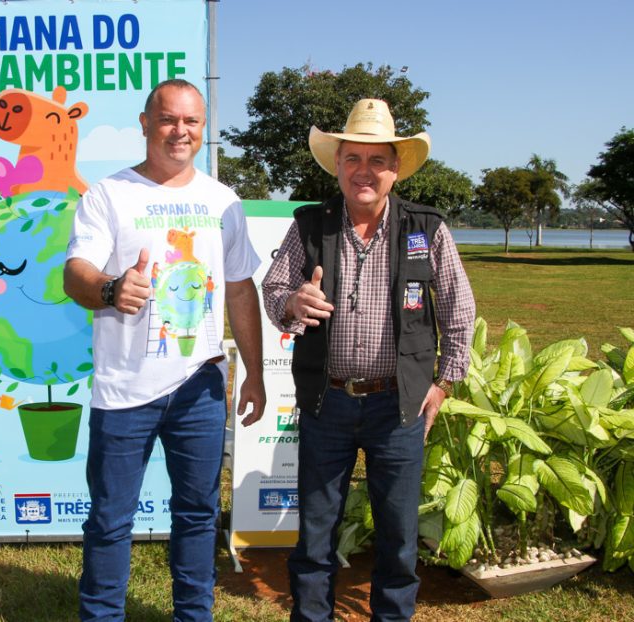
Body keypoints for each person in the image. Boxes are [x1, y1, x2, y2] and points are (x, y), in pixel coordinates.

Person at [261, 99, 475, 621]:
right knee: (314, 532)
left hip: (398, 407)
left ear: (395, 169)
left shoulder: (426, 230)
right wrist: (292, 302)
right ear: (337, 165)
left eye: (377, 160)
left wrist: (444, 384)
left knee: (399, 537)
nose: (364, 171)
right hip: (325, 401)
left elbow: (460, 311)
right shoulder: (310, 227)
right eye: (353, 158)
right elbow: (272, 291)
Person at [64, 78, 266, 622]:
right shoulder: (108, 194)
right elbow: (74, 274)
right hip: (124, 389)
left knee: (198, 514)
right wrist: (110, 289)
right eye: (170, 119)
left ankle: (193, 616)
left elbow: (241, 287)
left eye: (192, 121)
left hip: (200, 386)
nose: (181, 131)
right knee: (109, 519)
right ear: (146, 122)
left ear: (203, 129)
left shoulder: (223, 201)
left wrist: (254, 372)